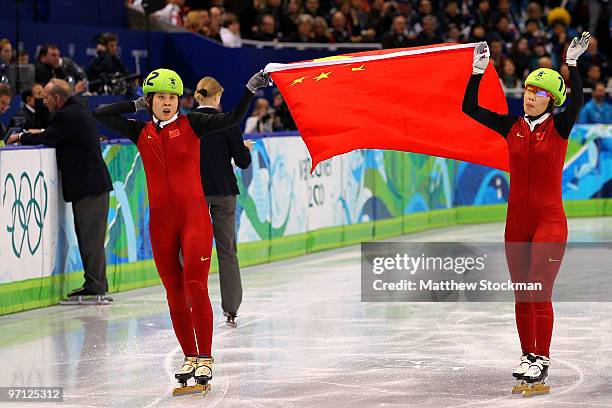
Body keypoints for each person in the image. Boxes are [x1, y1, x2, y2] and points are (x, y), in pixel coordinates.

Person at [93, 68, 271, 391]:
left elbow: (232, 119)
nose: (167, 103)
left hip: (194, 219)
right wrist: (135, 107)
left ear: (180, 101)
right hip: (161, 224)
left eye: (172, 97)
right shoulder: (140, 132)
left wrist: (249, 89)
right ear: (151, 101)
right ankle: (190, 357)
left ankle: (205, 357)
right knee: (174, 293)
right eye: (160, 97)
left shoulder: (194, 123)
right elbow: (99, 113)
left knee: (194, 284)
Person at [462, 32, 590, 395]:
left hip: (549, 222)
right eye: (528, 90)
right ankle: (527, 356)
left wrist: (574, 65)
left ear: (551, 100)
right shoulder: (511, 126)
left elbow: (578, 100)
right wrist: (477, 72)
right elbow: (469, 110)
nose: (529, 96)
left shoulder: (560, 127)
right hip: (516, 223)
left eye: (537, 92)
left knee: (538, 291)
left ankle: (542, 358)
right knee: (521, 293)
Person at [6, 79, 113, 299]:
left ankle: (95, 286)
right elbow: (54, 132)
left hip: (89, 187)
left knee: (90, 239)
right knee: (90, 238)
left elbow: (49, 136)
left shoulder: (68, 115)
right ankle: (96, 284)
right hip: (92, 185)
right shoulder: (75, 111)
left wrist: (21, 137)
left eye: (46, 98)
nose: (44, 102)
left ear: (56, 98)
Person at [194, 76, 252, 327]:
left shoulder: (187, 122)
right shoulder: (226, 122)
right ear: (217, 97)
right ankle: (231, 308)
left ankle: (191, 303)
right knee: (227, 251)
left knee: (193, 250)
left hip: (195, 193)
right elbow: (242, 162)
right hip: (224, 191)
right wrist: (244, 148)